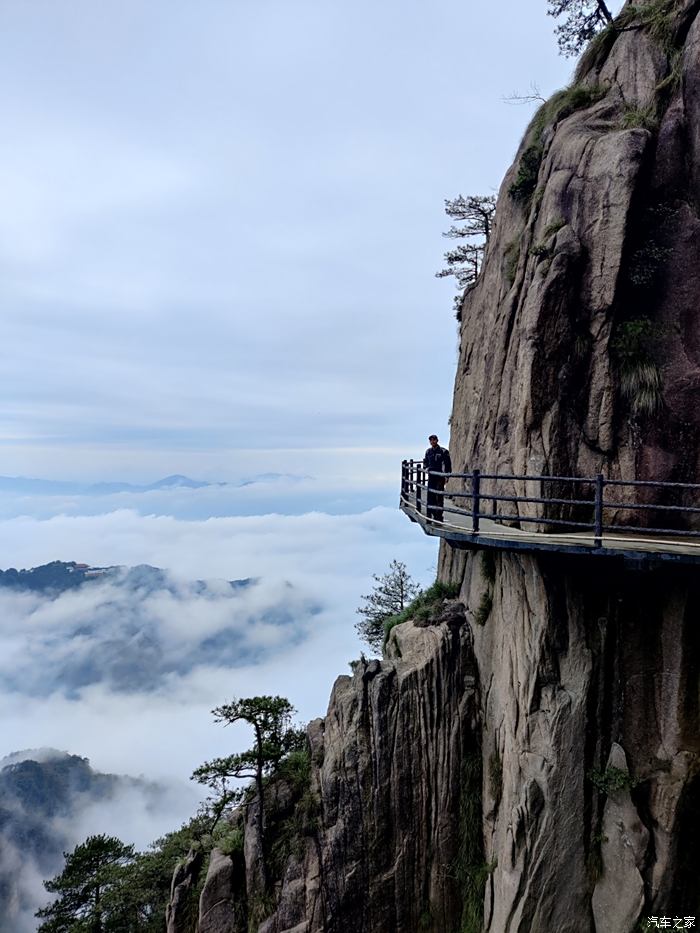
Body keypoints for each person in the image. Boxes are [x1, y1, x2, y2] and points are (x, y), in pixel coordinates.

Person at [423, 434, 452, 522]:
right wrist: (426, 468)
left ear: (437, 440)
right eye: (431, 440)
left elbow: (448, 464)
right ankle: (431, 514)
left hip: (440, 477)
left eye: (434, 440)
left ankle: (439, 516)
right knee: (430, 496)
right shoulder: (428, 452)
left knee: (439, 496)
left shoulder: (443, 451)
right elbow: (425, 463)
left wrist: (447, 475)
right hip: (431, 477)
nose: (432, 442)